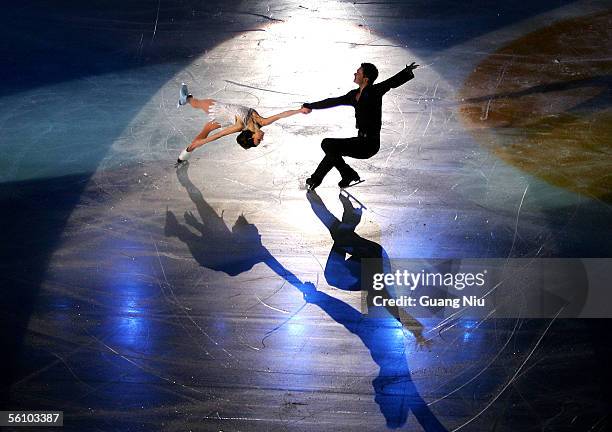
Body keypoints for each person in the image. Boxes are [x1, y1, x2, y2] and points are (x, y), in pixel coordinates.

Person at [302, 62, 419, 189]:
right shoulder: (353, 95)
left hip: (370, 145)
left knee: (331, 147)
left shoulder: (375, 92)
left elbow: (391, 83)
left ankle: (333, 176)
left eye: (358, 72)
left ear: (366, 78)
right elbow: (333, 101)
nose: (355, 73)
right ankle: (342, 175)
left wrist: (406, 72)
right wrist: (311, 105)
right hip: (359, 141)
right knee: (329, 145)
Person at [175, 83, 310, 166]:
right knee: (204, 130)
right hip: (225, 115)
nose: (262, 139)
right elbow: (281, 115)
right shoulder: (262, 122)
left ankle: (186, 100)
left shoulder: (239, 126)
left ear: (252, 137)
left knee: (198, 105)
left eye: (258, 140)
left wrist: (203, 143)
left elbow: (220, 135)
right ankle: (186, 152)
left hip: (218, 110)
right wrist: (299, 110)